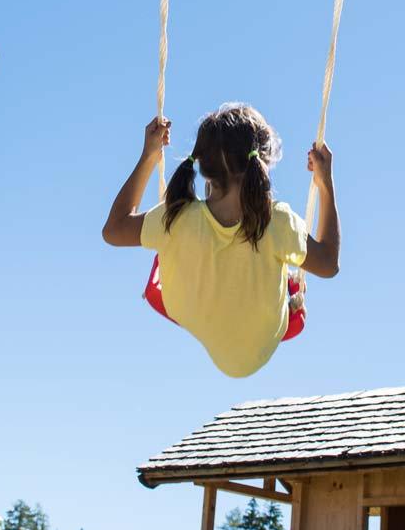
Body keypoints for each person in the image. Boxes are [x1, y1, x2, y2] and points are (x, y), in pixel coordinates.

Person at [101, 104, 340, 378]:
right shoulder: (277, 222)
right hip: (261, 336)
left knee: (168, 241)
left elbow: (114, 229)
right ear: (263, 161)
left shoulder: (175, 217)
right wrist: (325, 185)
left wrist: (149, 157)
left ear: (203, 164)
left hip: (196, 314)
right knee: (283, 263)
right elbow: (329, 263)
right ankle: (288, 288)